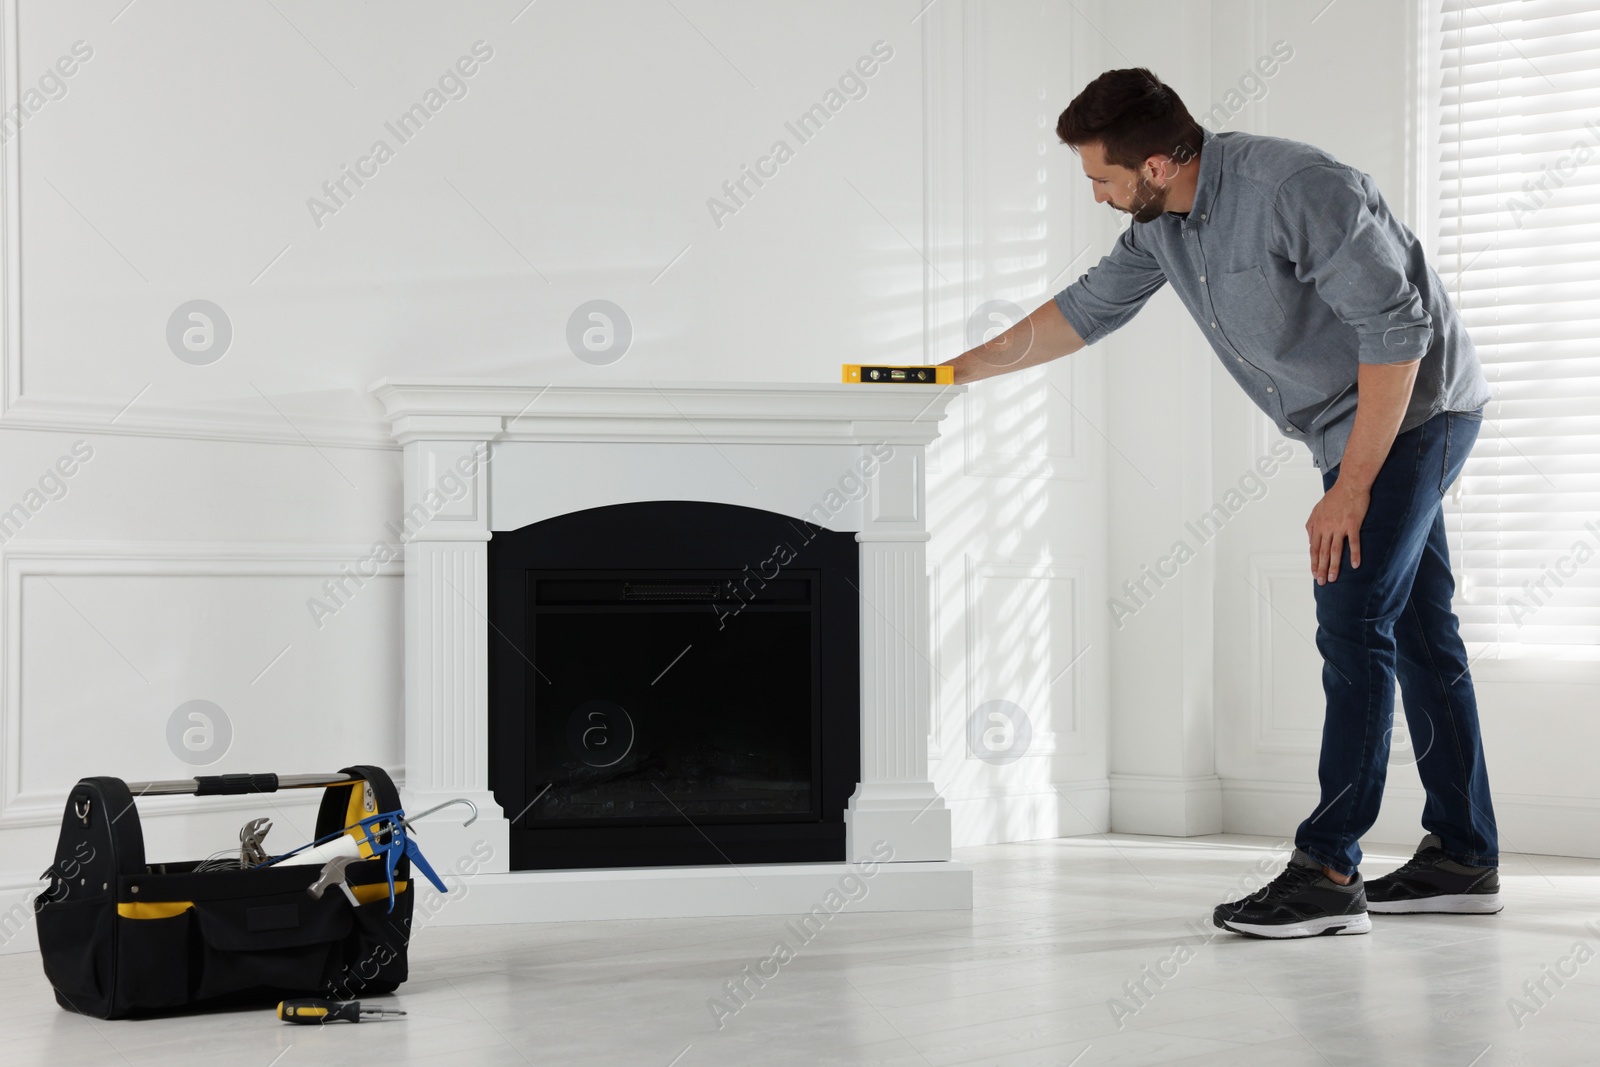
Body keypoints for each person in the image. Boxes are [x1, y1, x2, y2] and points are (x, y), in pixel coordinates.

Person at [941, 67, 1501, 939]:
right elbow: (1082, 312)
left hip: (1416, 408)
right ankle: (1464, 856)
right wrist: (950, 372)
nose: (1095, 194)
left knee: (1354, 621)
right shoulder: (1161, 223)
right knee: (1422, 630)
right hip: (1347, 423)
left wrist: (1350, 487)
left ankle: (1326, 870)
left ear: (1158, 163)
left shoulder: (1296, 188)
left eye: (1101, 177)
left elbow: (1398, 332)